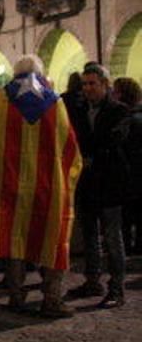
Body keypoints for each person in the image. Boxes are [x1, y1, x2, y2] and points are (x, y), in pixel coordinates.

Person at [0, 56, 82, 317]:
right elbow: (68, 144)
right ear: (40, 73)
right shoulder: (54, 102)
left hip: (10, 185)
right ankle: (51, 298)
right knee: (52, 237)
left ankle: (15, 295)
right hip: (49, 187)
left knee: (15, 237)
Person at [66, 63, 130, 309]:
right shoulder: (79, 110)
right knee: (90, 235)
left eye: (93, 83)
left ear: (105, 85)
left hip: (110, 182)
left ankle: (117, 287)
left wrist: (89, 154)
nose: (88, 88)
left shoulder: (118, 110)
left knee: (113, 237)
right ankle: (92, 281)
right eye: (84, 84)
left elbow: (114, 139)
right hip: (86, 182)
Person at [113, 77, 141, 256]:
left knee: (125, 216)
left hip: (128, 173)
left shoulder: (125, 119)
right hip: (137, 172)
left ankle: (127, 249)